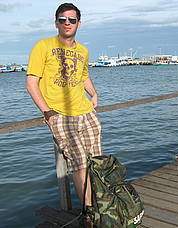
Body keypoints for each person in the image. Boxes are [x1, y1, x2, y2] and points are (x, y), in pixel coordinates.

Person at [26, 3, 101, 209]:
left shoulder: (83, 51)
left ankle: (99, 206)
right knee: (79, 166)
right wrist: (48, 112)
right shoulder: (43, 46)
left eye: (71, 20)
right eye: (62, 19)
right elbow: (31, 83)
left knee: (95, 164)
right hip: (61, 115)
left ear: (79, 23)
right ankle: (90, 212)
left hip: (87, 113)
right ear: (56, 23)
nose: (67, 23)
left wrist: (93, 94)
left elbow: (84, 76)